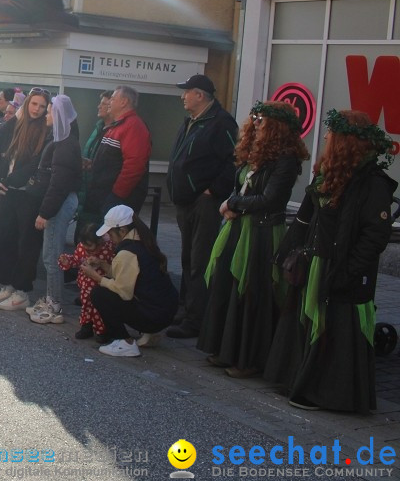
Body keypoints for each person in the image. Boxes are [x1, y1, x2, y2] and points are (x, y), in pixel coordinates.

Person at [264, 110, 396, 413]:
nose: (324, 138)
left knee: (333, 331)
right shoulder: (327, 175)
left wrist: (347, 273)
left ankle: (325, 394)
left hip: (340, 271)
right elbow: (304, 219)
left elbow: (374, 236)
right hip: (315, 264)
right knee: (306, 323)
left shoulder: (372, 184)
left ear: (345, 141)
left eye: (330, 134)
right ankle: (297, 380)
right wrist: (286, 252)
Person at [197, 101, 307, 377]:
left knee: (250, 292)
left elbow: (271, 199)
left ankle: (248, 359)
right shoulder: (255, 155)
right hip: (240, 228)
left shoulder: (286, 159)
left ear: (277, 127)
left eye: (262, 119)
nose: (256, 123)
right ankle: (225, 350)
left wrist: (233, 203)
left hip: (262, 232)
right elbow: (243, 188)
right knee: (227, 285)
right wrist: (235, 204)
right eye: (255, 118)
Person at [166, 74, 239, 340]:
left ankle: (196, 320)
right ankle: (185, 308)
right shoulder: (192, 121)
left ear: (200, 95)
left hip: (204, 202)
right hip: (185, 201)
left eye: (186, 92)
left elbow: (235, 161)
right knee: (187, 258)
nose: (182, 96)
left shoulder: (221, 123)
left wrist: (214, 191)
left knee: (200, 261)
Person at [82, 206, 179, 358]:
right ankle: (151, 334)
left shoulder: (127, 252)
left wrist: (97, 277)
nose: (108, 237)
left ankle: (124, 342)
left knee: (99, 294)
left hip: (153, 316)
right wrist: (102, 264)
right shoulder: (144, 241)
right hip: (165, 311)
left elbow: (123, 291)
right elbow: (129, 275)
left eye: (110, 232)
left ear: (122, 231)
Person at [0, 88, 50, 311]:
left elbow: (36, 163)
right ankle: (9, 285)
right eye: (34, 104)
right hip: (9, 190)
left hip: (28, 194)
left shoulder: (46, 130)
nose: (37, 110)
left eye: (42, 107)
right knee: (7, 238)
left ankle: (22, 291)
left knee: (27, 243)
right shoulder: (15, 124)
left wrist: (12, 178)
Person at [28, 94, 83, 325]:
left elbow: (58, 184)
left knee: (52, 255)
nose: (47, 115)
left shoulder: (65, 145)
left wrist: (44, 213)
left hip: (59, 204)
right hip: (60, 202)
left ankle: (55, 304)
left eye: (50, 111)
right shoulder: (64, 142)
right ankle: (52, 298)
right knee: (50, 253)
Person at [83, 85, 151, 218]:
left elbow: (134, 166)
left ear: (124, 102)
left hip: (116, 200)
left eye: (113, 99)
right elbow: (111, 161)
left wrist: (116, 195)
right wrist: (92, 164)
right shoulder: (116, 126)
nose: (109, 102)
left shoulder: (133, 126)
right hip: (103, 195)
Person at [58, 223, 116, 340]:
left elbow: (114, 267)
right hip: (85, 284)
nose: (87, 249)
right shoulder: (81, 247)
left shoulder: (109, 248)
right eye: (84, 245)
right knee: (86, 306)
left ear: (99, 242)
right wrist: (67, 260)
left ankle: (102, 331)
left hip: (101, 284)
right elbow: (76, 260)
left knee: (99, 308)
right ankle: (86, 327)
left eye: (90, 246)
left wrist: (100, 262)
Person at [78, 90, 113, 229]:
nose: (99, 106)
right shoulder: (98, 127)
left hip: (99, 195)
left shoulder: (115, 131)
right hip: (87, 191)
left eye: (104, 104)